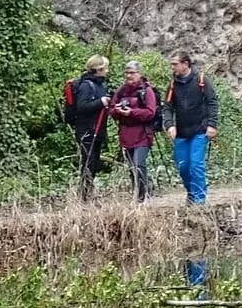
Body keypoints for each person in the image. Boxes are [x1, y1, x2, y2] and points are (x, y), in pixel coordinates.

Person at [161, 51, 219, 204]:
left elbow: (212, 102)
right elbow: (167, 107)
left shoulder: (202, 80)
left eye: (175, 64)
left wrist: (212, 124)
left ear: (185, 64)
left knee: (195, 165)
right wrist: (169, 125)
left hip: (200, 129)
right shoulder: (173, 84)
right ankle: (191, 193)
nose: (172, 67)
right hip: (181, 132)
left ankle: (199, 201)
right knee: (183, 166)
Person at [63, 55, 113, 200]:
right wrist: (101, 102)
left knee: (94, 163)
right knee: (88, 163)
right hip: (87, 131)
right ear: (98, 69)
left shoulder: (101, 84)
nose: (107, 71)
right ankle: (83, 196)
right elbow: (82, 106)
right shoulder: (86, 85)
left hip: (98, 130)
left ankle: (87, 193)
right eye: (105, 68)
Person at [110, 60, 160, 201]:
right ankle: (138, 192)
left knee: (139, 164)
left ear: (140, 73)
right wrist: (118, 111)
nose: (129, 76)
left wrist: (131, 112)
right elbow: (112, 109)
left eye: (132, 73)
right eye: (127, 72)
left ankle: (144, 194)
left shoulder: (147, 91)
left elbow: (150, 113)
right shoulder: (121, 91)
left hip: (143, 134)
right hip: (125, 134)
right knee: (131, 168)